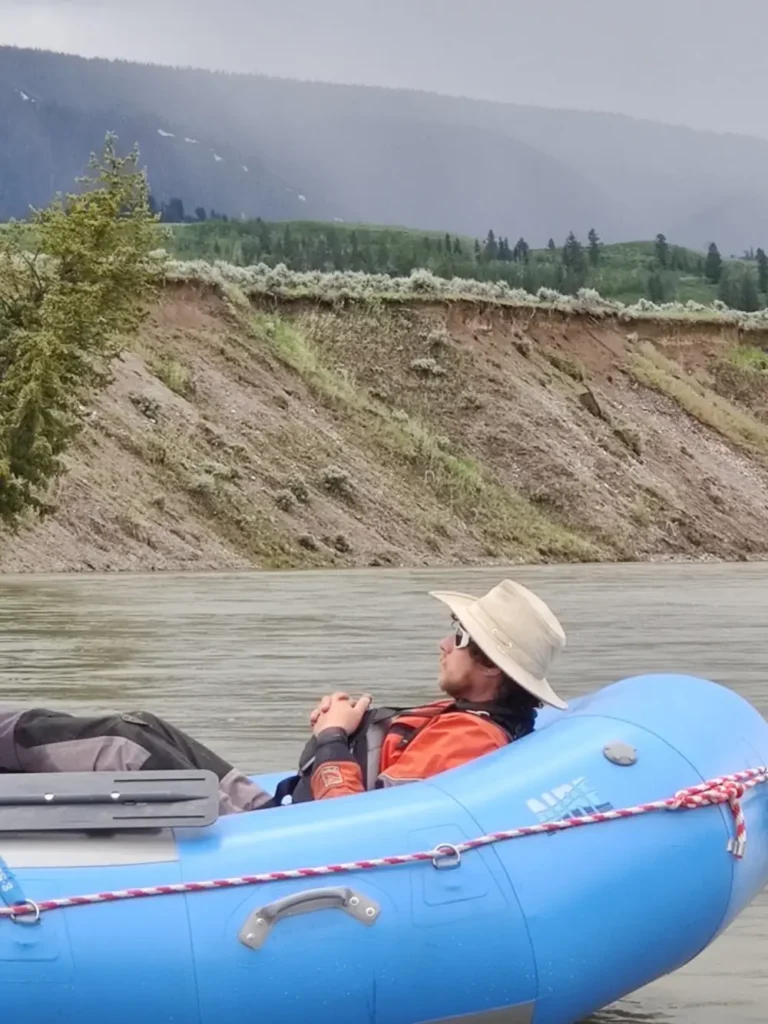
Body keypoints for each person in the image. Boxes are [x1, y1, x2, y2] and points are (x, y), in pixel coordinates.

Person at [0, 579, 567, 815]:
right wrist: (340, 730)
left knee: (124, 744)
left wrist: (331, 737)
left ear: (491, 664)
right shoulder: (468, 717)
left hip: (275, 837)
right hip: (275, 810)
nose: (444, 641)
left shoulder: (471, 734)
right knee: (143, 724)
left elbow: (358, 820)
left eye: (458, 635)